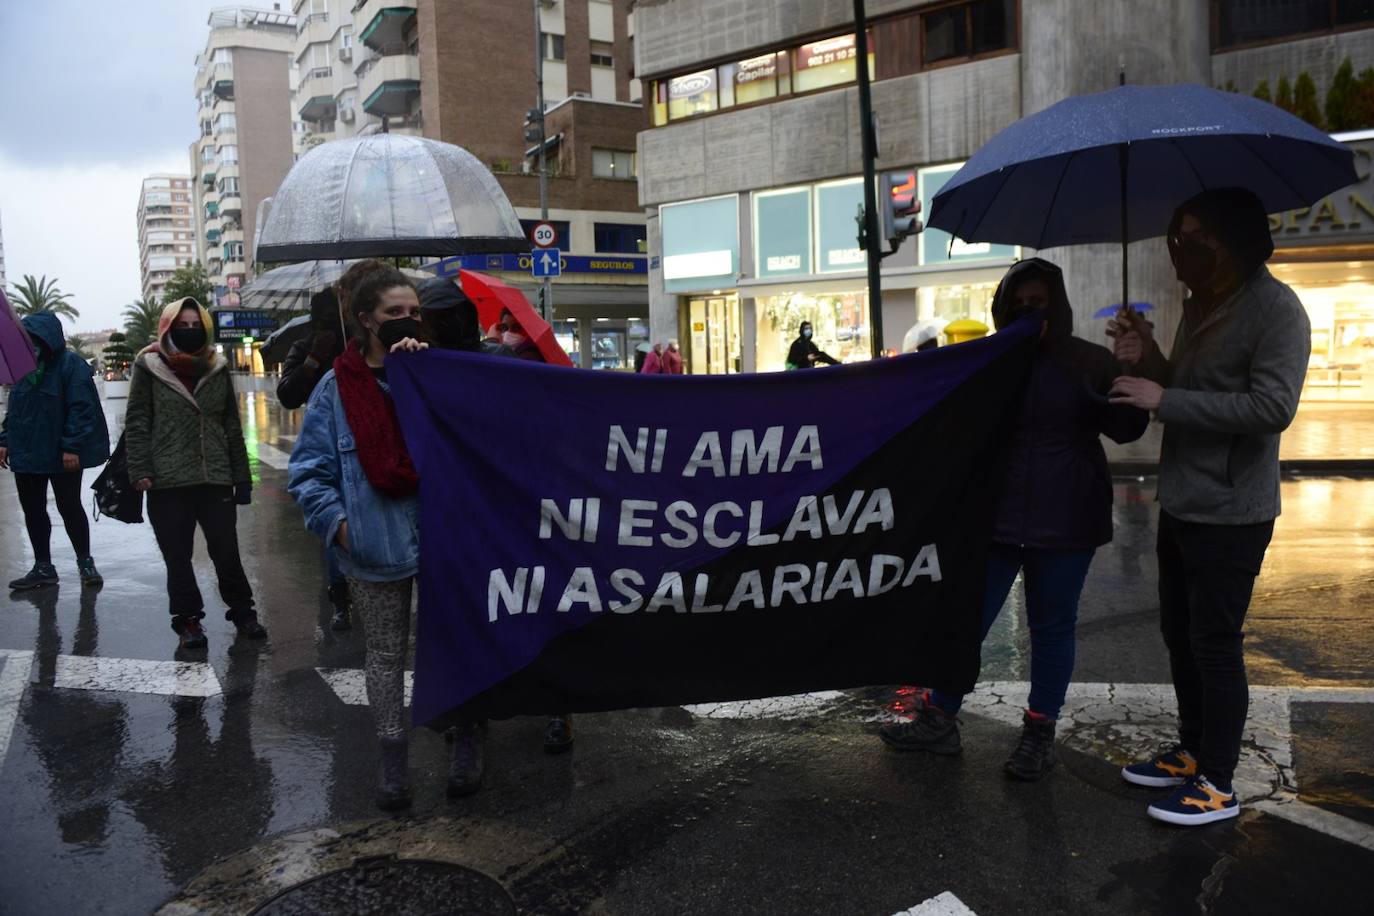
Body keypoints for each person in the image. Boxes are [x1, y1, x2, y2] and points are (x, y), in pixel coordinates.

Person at [879, 258, 1149, 781]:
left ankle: (1038, 734)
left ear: (1058, 307)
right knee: (966, 617)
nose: (1029, 312)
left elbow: (1127, 429)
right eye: (1018, 303)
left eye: (1038, 302)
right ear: (1003, 309)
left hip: (1066, 516)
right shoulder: (988, 362)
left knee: (1051, 628)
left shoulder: (1090, 361)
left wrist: (1130, 367)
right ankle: (940, 718)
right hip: (994, 515)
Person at [1108, 187, 1310, 826]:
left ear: (1235, 238)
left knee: (1215, 644)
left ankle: (1217, 784)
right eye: (1180, 235)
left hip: (1233, 511)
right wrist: (1149, 355)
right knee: (1180, 636)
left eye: (1197, 236)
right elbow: (1184, 388)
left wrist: (1161, 398)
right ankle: (1193, 751)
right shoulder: (1199, 306)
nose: (1183, 248)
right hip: (1184, 501)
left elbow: (1270, 409)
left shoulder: (1277, 311)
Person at [288, 266, 484, 810]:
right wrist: (343, 530)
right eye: (394, 313)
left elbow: (474, 441)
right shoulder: (336, 388)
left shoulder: (431, 371)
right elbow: (307, 474)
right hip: (374, 546)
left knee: (455, 644)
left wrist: (422, 374)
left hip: (445, 538)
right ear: (366, 320)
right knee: (384, 656)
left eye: (414, 312)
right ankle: (393, 760)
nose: (406, 321)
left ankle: (464, 741)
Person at [124, 298, 265, 652]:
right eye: (181, 326)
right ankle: (188, 621)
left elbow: (231, 424)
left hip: (214, 476)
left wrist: (242, 477)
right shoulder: (149, 365)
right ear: (167, 328)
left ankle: (243, 611)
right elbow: (138, 420)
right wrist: (140, 468)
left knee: (226, 551)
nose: (189, 331)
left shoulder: (217, 366)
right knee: (178, 557)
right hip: (167, 480)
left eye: (194, 325)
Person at [1, 312, 110, 590]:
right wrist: (4, 440)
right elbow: (15, 409)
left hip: (62, 454)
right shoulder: (22, 366)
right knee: (33, 510)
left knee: (69, 506)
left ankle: (85, 562)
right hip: (26, 452)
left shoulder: (70, 365)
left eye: (34, 338)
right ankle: (43, 567)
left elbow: (81, 408)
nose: (30, 343)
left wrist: (71, 446)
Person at [277, 287, 351, 630]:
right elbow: (288, 394)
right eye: (322, 318)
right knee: (335, 515)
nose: (330, 324)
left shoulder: (359, 338)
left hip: (366, 432)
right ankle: (339, 595)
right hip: (327, 439)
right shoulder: (306, 345)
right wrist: (314, 359)